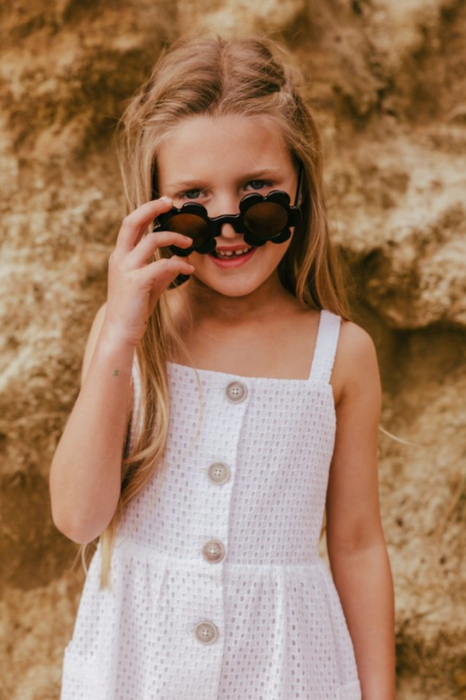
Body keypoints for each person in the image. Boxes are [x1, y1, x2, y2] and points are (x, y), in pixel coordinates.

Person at [49, 34, 396, 700]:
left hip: (287, 672)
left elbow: (356, 543)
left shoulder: (341, 355)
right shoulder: (130, 340)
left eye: (258, 189)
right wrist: (122, 330)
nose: (230, 223)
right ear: (153, 204)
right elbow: (78, 517)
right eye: (195, 198)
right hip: (137, 668)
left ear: (302, 187)